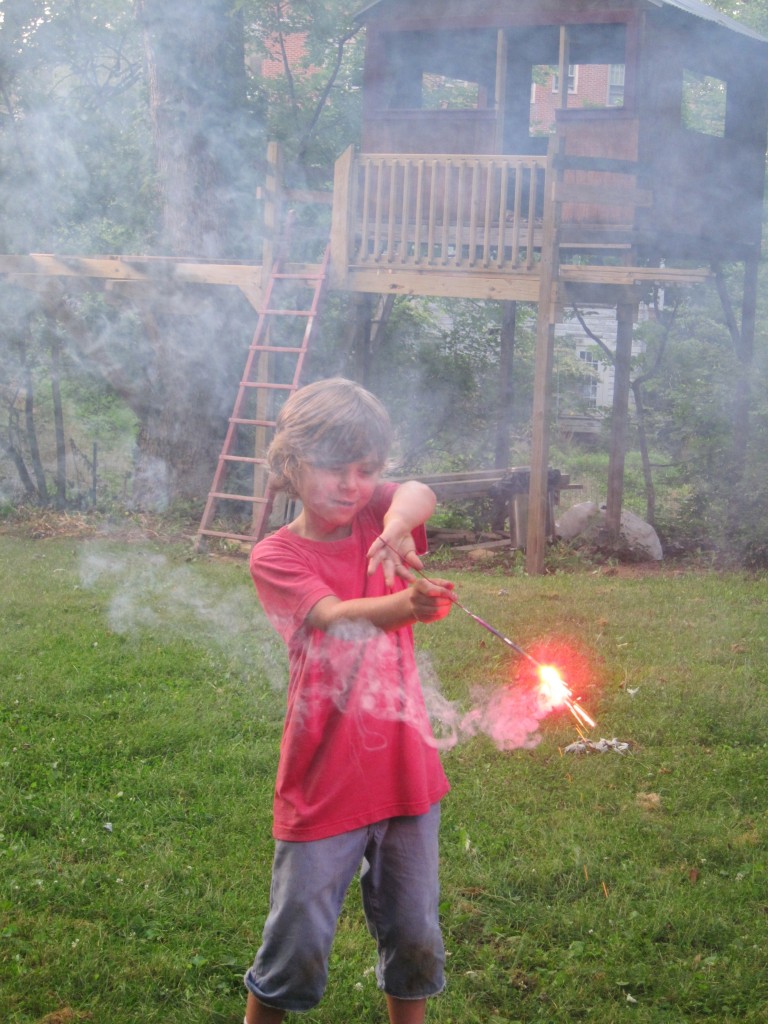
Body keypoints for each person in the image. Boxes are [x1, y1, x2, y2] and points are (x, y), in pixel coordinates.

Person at [244, 378, 455, 1024]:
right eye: (335, 467)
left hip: (406, 775)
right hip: (324, 782)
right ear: (291, 463)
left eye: (366, 470)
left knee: (415, 931)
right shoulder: (276, 556)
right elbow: (334, 616)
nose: (351, 485)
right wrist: (404, 606)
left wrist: (394, 525)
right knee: (296, 942)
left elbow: (423, 493)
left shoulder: (374, 517)